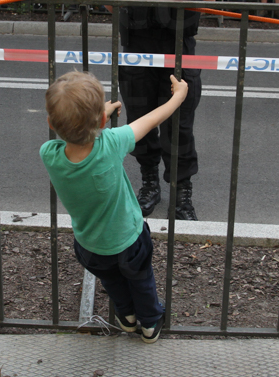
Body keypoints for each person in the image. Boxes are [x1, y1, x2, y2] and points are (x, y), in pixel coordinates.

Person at [40, 70, 189, 343]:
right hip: (128, 240)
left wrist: (95, 120)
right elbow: (151, 120)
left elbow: (72, 139)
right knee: (142, 281)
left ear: (51, 122)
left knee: (113, 282)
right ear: (102, 120)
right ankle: (150, 325)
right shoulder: (111, 144)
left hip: (89, 246)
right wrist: (178, 97)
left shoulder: (49, 154)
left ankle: (127, 318)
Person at [103, 0, 218, 220]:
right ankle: (150, 183)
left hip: (178, 53)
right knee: (140, 122)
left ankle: (182, 193)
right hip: (139, 51)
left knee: (179, 124)